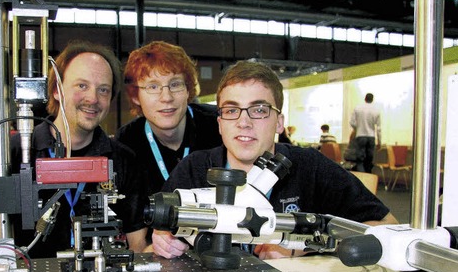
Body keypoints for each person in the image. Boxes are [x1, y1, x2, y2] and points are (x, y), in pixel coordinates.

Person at [151, 60, 397, 260]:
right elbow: (161, 234)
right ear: (220, 123)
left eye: (259, 110)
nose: (243, 122)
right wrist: (164, 241)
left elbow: (387, 226)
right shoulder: (195, 168)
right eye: (231, 110)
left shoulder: (311, 167)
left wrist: (304, 247)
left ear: (279, 122)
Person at [10, 40, 148, 257]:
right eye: (82, 86)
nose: (92, 99)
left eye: (103, 89)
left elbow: (137, 245)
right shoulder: (16, 153)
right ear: (57, 90)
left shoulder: (124, 160)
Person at [116, 41, 221, 196]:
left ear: (188, 90)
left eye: (175, 84)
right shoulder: (127, 143)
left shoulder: (218, 126)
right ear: (135, 96)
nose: (166, 97)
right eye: (153, 87)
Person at [349, 93, 381, 173]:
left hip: (360, 135)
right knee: (369, 160)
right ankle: (368, 177)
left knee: (360, 160)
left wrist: (357, 128)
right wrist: (379, 141)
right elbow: (379, 128)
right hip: (371, 136)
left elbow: (352, 122)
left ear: (365, 99)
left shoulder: (358, 108)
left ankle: (362, 179)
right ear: (372, 99)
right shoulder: (376, 110)